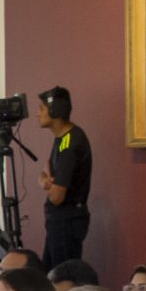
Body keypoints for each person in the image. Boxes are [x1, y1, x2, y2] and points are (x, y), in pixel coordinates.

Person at [29, 85, 91, 264]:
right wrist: (44, 181)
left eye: (41, 108)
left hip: (66, 223)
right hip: (61, 222)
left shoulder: (69, 143)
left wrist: (48, 186)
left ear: (55, 111)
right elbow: (45, 171)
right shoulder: (63, 138)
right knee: (49, 273)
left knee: (62, 275)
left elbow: (57, 197)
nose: (37, 114)